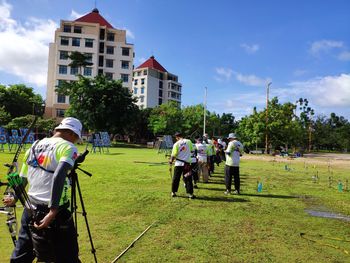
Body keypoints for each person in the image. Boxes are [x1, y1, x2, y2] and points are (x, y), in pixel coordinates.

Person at [3, 117, 82, 263]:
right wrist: (53, 211)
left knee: (21, 254)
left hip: (30, 208)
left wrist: (15, 198)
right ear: (72, 134)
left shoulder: (35, 145)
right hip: (56, 212)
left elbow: (23, 178)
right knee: (68, 256)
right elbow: (59, 174)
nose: (75, 142)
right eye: (76, 138)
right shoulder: (68, 147)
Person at [169, 132, 196, 199]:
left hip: (178, 164)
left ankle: (173, 192)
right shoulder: (189, 141)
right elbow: (192, 151)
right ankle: (190, 194)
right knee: (188, 179)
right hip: (187, 165)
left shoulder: (176, 144)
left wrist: (170, 161)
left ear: (177, 137)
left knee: (176, 178)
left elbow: (173, 155)